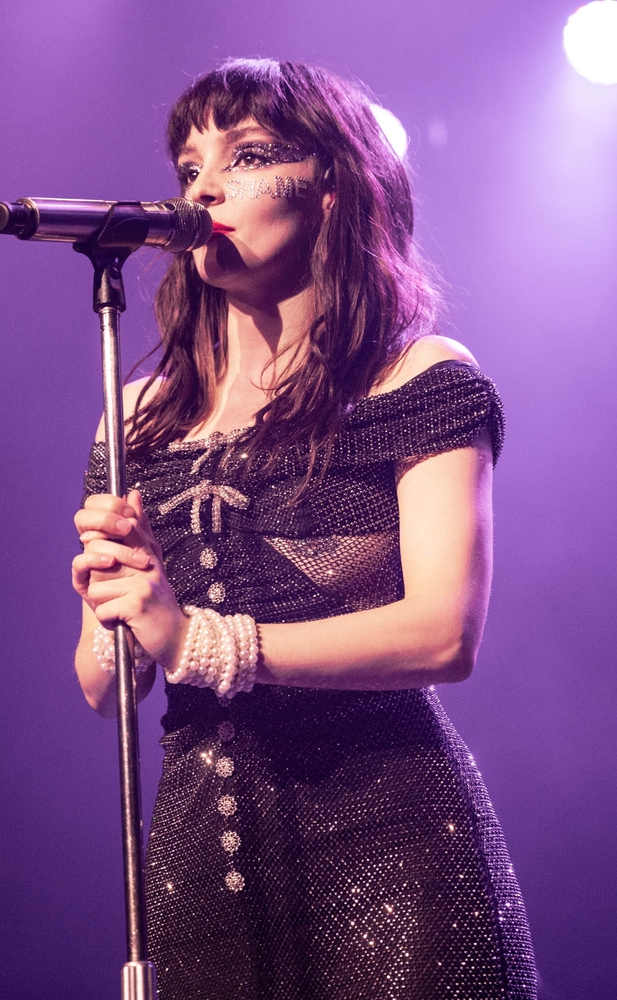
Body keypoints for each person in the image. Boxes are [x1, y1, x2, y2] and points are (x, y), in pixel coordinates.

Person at [70, 58, 537, 999]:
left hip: (390, 840)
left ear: (331, 185)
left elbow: (446, 632)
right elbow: (98, 681)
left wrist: (199, 638)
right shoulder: (140, 416)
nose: (204, 186)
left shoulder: (416, 381)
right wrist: (121, 601)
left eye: (244, 157)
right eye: (191, 163)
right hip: (203, 858)